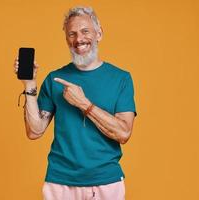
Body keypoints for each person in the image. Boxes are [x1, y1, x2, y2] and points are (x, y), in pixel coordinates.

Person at [14, 6, 137, 200]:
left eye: (85, 31)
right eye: (72, 34)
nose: (78, 39)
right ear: (67, 40)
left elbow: (123, 133)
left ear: (99, 33)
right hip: (60, 182)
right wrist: (29, 85)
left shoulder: (121, 79)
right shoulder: (55, 79)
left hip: (106, 181)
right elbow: (34, 131)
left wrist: (84, 104)